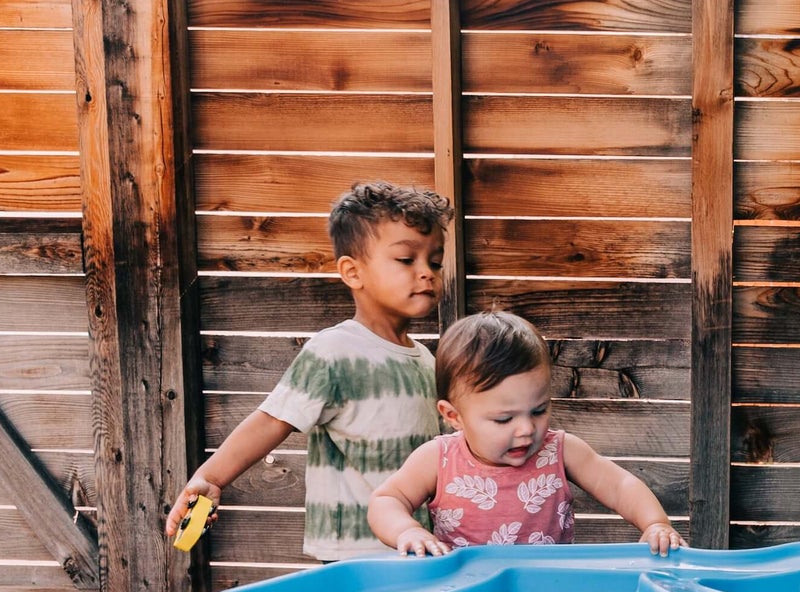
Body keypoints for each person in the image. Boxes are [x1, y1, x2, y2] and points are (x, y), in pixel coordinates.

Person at [164, 182, 449, 560]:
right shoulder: (334, 352)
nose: (426, 273)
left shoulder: (428, 362)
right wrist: (211, 478)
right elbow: (270, 421)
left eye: (435, 261)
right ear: (352, 272)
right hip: (351, 556)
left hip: (417, 548)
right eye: (405, 260)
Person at [369, 310, 684, 556]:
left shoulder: (560, 450)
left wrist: (654, 523)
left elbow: (620, 485)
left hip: (545, 590)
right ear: (454, 416)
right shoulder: (438, 459)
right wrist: (406, 531)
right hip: (465, 590)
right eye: (504, 419)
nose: (526, 429)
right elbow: (386, 500)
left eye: (538, 410)